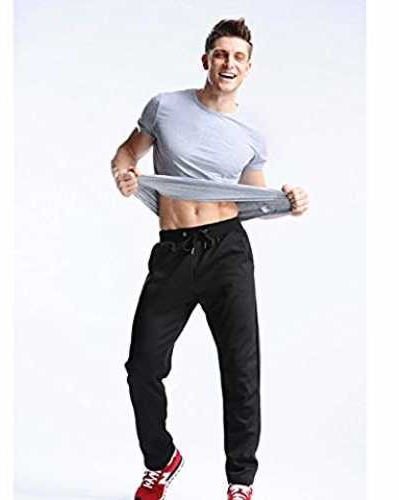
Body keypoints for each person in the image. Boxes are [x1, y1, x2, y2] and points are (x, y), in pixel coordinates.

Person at [111, 17, 309, 500]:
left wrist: (288, 202)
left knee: (241, 370)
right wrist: (123, 173)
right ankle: (161, 459)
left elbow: (253, 199)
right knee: (142, 366)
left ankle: (240, 481)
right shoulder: (165, 107)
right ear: (206, 60)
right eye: (221, 54)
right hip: (174, 252)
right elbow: (126, 153)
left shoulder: (251, 134)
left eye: (238, 57)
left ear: (248, 67)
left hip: (227, 252)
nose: (229, 63)